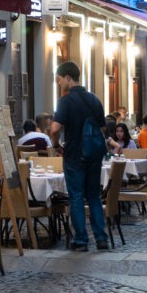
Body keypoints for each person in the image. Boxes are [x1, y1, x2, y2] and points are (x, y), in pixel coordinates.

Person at [48, 61, 110, 252]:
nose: (59, 85)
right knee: (94, 196)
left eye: (59, 81)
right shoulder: (94, 99)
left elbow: (55, 128)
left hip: (74, 154)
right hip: (94, 155)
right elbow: (102, 128)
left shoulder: (65, 101)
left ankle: (81, 240)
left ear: (68, 78)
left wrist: (56, 144)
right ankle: (101, 238)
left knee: (76, 197)